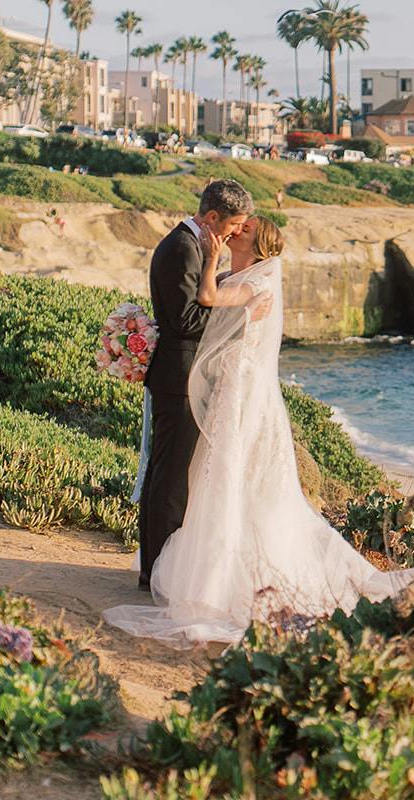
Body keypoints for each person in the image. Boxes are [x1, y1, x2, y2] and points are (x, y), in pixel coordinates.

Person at [105, 215, 414, 646]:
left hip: (243, 391)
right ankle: (209, 565)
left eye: (244, 230)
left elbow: (207, 297)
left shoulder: (256, 284)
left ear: (259, 246)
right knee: (214, 474)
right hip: (228, 387)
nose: (236, 232)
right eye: (237, 226)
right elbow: (201, 307)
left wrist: (210, 256)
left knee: (231, 474)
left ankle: (224, 577)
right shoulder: (237, 277)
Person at [135, 178, 254, 591]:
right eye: (231, 225)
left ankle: (155, 568)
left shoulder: (192, 245)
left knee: (167, 473)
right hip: (179, 376)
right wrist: (241, 316)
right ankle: (158, 571)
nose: (233, 234)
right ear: (212, 216)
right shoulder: (182, 248)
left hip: (182, 374)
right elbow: (185, 320)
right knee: (170, 477)